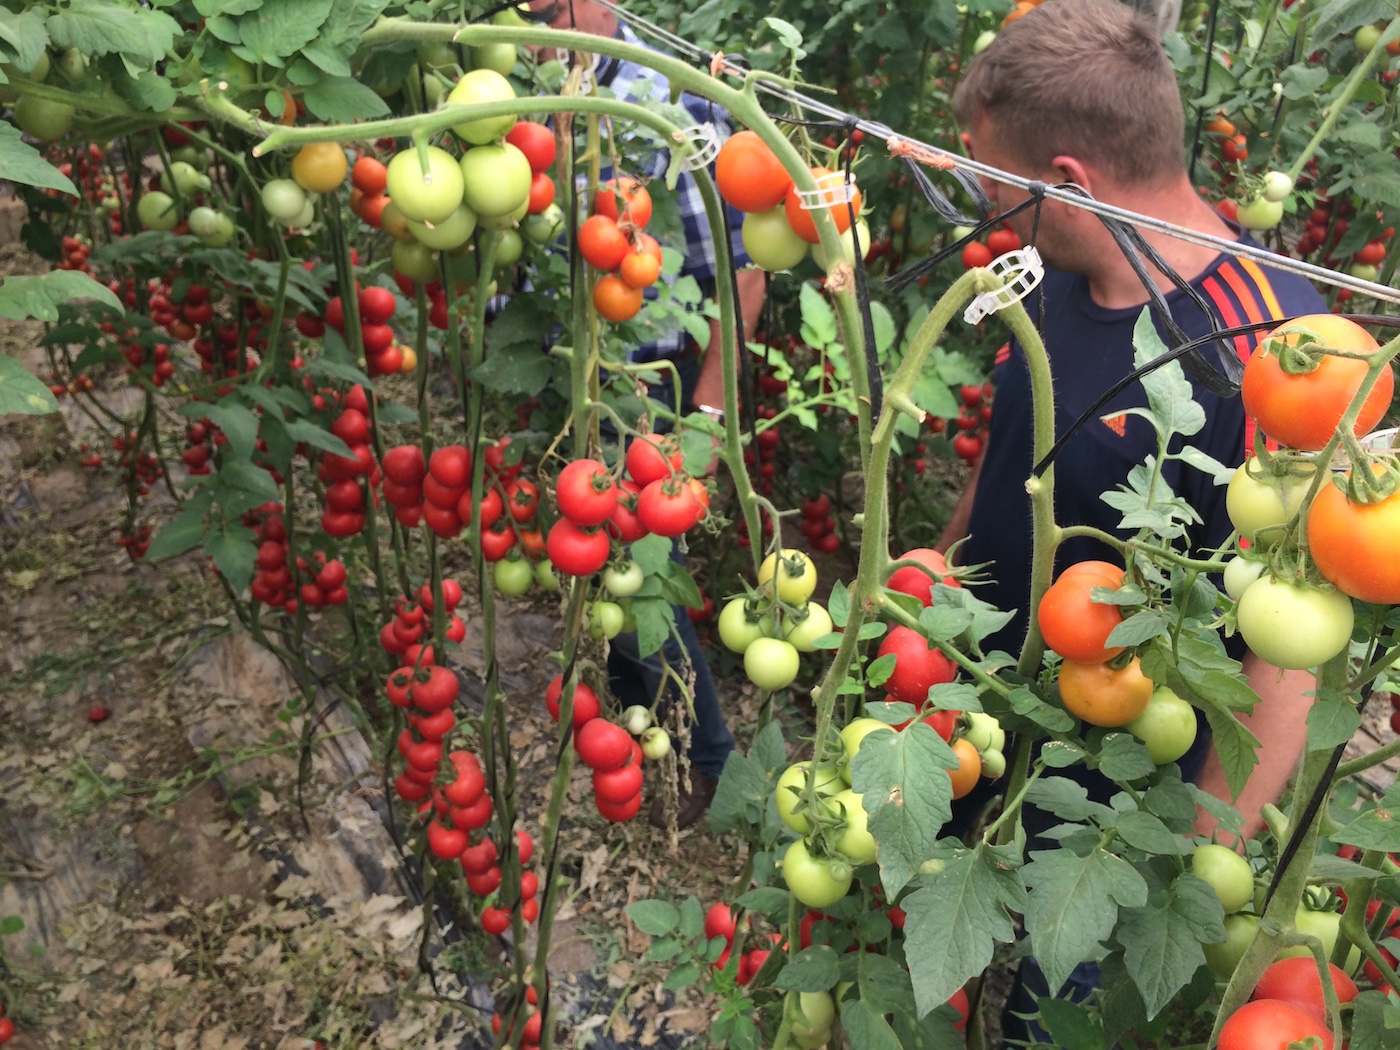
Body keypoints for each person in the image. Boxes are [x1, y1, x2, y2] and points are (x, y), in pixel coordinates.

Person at [937, 0, 1327, 1038]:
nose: (985, 206)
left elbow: (1289, 656)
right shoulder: (1052, 272)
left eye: (994, 182)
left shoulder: (1278, 358)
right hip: (976, 698)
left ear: (1068, 183)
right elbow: (1014, 443)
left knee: (1049, 1013)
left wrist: (1194, 854)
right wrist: (941, 556)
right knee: (932, 927)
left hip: (1113, 791)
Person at [529, 0, 768, 829]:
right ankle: (637, 731)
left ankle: (711, 761)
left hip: (646, 398)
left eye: (547, 6)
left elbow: (742, 273)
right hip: (569, 384)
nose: (529, 15)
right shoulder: (523, 93)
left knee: (640, 588)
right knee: (607, 583)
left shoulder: (673, 103)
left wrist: (706, 416)